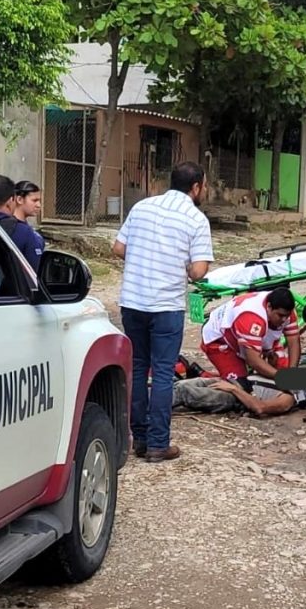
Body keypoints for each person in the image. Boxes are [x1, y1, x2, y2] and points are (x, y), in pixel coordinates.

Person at [113, 162, 214, 463]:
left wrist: (146, 259)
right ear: (195, 187)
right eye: (204, 186)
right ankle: (158, 443)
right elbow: (198, 271)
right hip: (166, 307)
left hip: (132, 302)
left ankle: (139, 438)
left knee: (138, 367)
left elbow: (118, 249)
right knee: (162, 373)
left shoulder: (142, 207)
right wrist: (177, 264)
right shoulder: (196, 219)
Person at [200, 287, 301, 382]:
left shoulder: (286, 311)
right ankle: (203, 377)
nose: (284, 320)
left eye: (286, 316)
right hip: (218, 338)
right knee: (240, 384)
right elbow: (253, 361)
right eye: (280, 315)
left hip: (250, 332)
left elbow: (294, 341)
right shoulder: (251, 318)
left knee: (281, 366)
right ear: (269, 306)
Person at [174, 376, 306, 417]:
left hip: (232, 395)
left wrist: (234, 390)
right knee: (177, 385)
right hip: (230, 383)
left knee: (185, 392)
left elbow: (259, 408)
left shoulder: (287, 400)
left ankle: (150, 408)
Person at [0, 174, 45, 272]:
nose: (39, 205)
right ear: (12, 200)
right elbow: (32, 272)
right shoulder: (24, 233)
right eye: (34, 200)